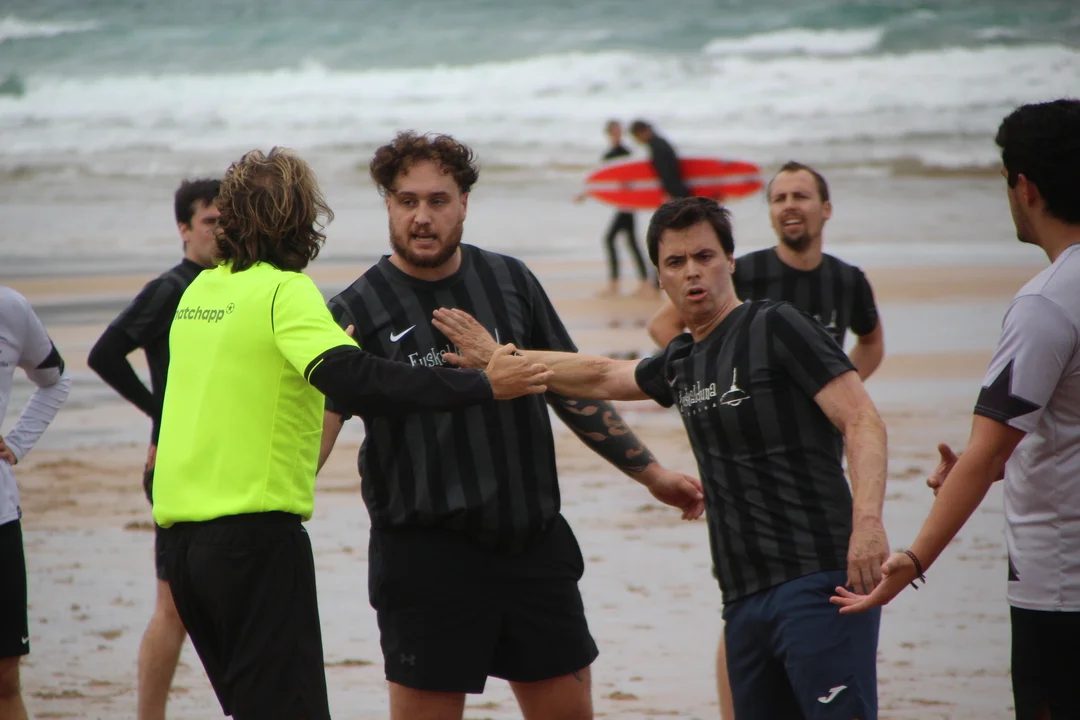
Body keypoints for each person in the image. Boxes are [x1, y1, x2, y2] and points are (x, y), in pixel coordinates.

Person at [435, 195, 890, 720]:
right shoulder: (683, 359)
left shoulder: (777, 326)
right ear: (660, 279)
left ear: (730, 261)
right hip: (743, 594)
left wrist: (868, 524)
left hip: (819, 578)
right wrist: (497, 359)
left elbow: (862, 420)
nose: (692, 271)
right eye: (676, 262)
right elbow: (603, 374)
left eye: (704, 256)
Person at [151, 147, 553, 720]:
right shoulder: (283, 292)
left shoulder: (199, 294)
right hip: (251, 545)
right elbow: (359, 379)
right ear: (302, 218)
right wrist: (484, 385)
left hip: (183, 548)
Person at [318, 131, 705, 720]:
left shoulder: (510, 280)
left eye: (438, 200)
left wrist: (651, 474)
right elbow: (314, 432)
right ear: (388, 204)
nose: (422, 217)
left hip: (532, 546)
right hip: (423, 558)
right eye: (407, 201)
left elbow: (572, 387)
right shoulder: (354, 310)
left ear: (464, 203)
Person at [831, 99, 1080, 720]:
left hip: (1061, 585)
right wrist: (986, 462)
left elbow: (988, 452)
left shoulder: (1046, 305)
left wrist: (912, 560)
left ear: (1025, 188)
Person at [87, 177, 219, 720]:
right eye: (210, 222)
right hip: (173, 462)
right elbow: (105, 354)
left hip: (223, 459)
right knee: (174, 606)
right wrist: (159, 415)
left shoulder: (234, 287)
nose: (220, 232)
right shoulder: (170, 289)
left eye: (228, 222)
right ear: (184, 228)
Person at [648, 162, 885, 381]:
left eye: (800, 196)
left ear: (826, 209)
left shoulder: (847, 279)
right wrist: (710, 374)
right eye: (779, 199)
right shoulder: (740, 271)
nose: (789, 205)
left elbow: (871, 343)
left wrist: (844, 385)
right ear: (771, 213)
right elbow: (663, 325)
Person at [0, 286, 71, 720]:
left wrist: (18, 442)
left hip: (1, 519)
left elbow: (55, 380)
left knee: (6, 679)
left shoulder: (9, 308)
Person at [577, 120, 651, 297]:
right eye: (614, 131)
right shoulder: (608, 154)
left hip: (628, 205)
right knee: (630, 241)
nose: (617, 134)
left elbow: (634, 178)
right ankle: (642, 283)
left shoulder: (627, 153)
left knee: (611, 239)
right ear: (609, 134)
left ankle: (617, 284)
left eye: (619, 131)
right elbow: (605, 182)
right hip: (622, 205)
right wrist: (587, 193)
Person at [629, 119, 691, 201]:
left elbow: (666, 172)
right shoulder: (660, 142)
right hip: (678, 188)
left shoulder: (657, 147)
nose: (637, 140)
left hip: (676, 191)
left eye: (636, 137)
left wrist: (669, 193)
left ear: (642, 132)